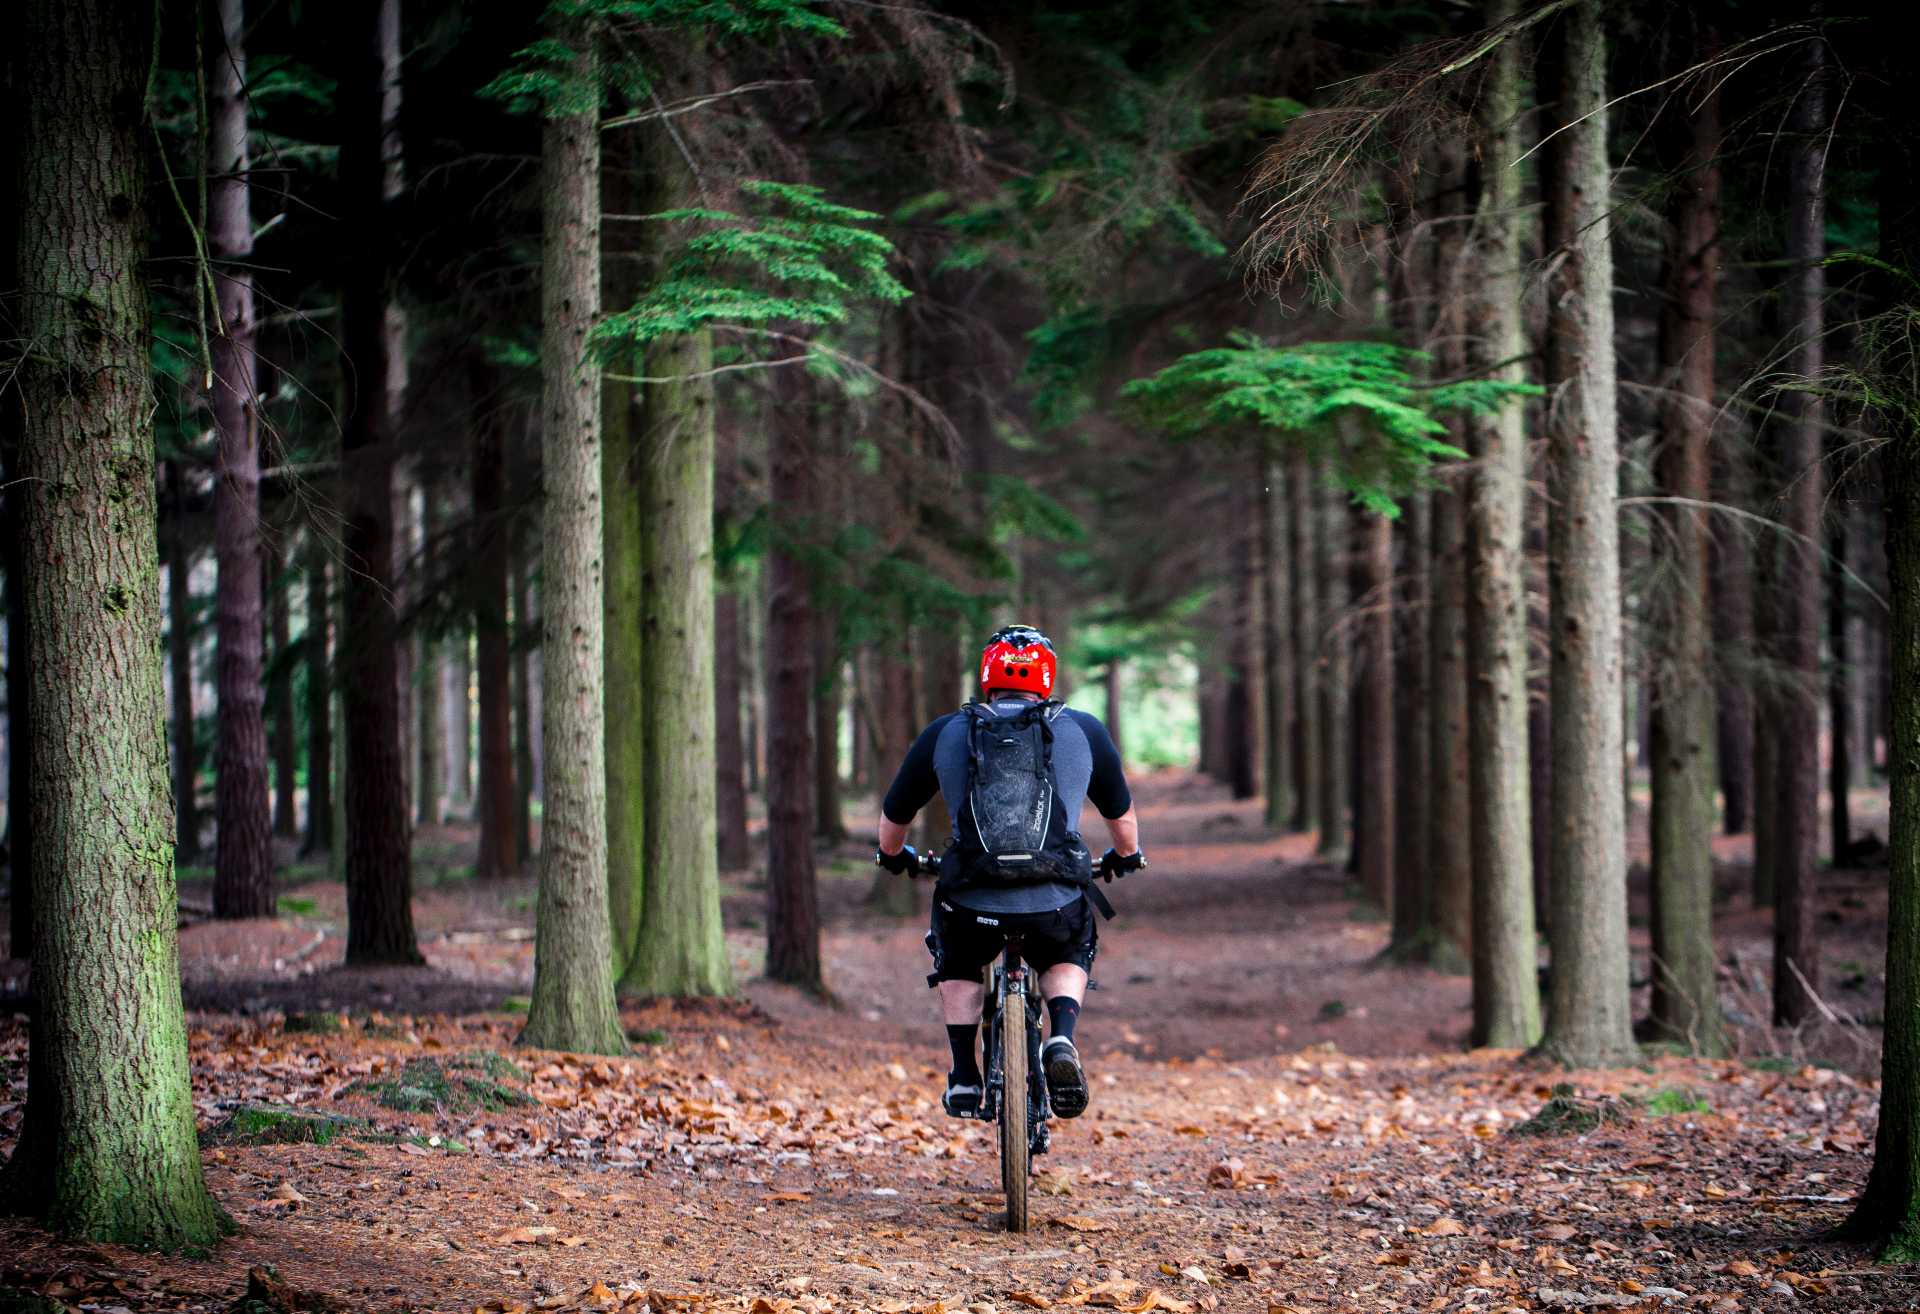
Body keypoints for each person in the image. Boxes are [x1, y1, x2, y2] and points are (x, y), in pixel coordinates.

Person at [875, 624, 1146, 1122]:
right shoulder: (1082, 729)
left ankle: (962, 1075)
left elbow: (895, 817)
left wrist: (894, 856)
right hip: (1054, 902)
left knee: (956, 953)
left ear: (986, 676)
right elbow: (1122, 822)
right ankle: (1060, 1037)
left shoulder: (948, 730)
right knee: (1069, 945)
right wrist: (1126, 856)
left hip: (971, 901)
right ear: (1047, 677)